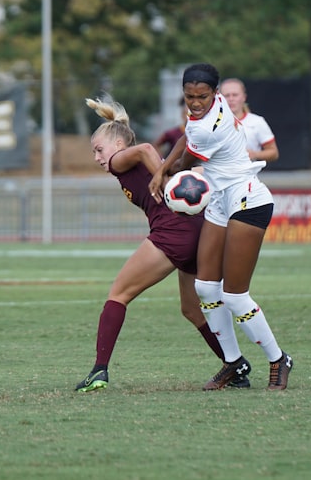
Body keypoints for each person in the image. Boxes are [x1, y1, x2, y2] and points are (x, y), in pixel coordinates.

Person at [75, 95, 236, 392]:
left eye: (99, 149)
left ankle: (99, 371)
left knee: (118, 294)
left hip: (172, 231)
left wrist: (161, 177)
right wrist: (164, 174)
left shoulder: (118, 160)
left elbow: (147, 149)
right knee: (191, 308)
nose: (98, 157)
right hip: (193, 228)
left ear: (117, 145)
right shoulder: (127, 163)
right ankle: (234, 365)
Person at [149, 63, 293, 391]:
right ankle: (233, 363)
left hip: (247, 199)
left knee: (234, 294)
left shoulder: (210, 124)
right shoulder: (208, 111)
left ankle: (278, 358)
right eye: (189, 97)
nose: (195, 102)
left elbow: (188, 158)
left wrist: (163, 173)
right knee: (205, 288)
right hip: (218, 201)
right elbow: (187, 135)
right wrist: (163, 168)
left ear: (215, 94)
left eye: (202, 96)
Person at [219, 78, 279, 164]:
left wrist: (255, 154)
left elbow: (273, 153)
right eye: (227, 95)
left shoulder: (256, 122)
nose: (231, 99)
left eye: (235, 95)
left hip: (247, 176)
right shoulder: (210, 123)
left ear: (244, 97)